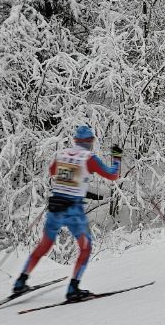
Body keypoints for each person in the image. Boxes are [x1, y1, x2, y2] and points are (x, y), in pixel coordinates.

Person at [12, 125, 122, 302]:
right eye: (92, 140)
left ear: (75, 140)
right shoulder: (89, 158)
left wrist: (74, 182)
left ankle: (20, 282)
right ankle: (73, 288)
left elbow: (53, 172)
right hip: (73, 210)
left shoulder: (61, 154)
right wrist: (117, 157)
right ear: (90, 141)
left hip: (55, 206)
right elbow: (112, 175)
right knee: (85, 247)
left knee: (45, 245)